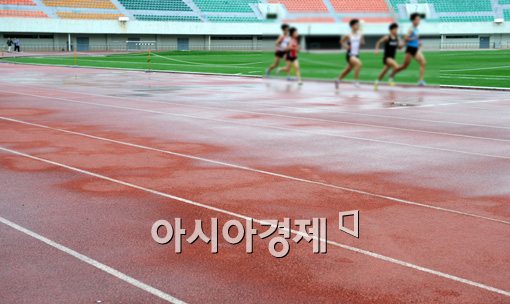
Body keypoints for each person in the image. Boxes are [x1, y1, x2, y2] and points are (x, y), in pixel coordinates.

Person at [388, 13, 426, 86]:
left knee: (423, 62)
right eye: (417, 19)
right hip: (410, 49)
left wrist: (418, 42)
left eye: (419, 19)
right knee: (404, 66)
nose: (419, 21)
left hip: (415, 49)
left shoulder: (416, 29)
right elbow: (406, 38)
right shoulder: (411, 29)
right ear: (413, 21)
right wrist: (413, 39)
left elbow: (415, 38)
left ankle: (420, 81)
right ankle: (392, 74)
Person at [336, 19, 364, 89]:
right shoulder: (348, 35)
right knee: (359, 64)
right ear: (352, 26)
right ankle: (355, 81)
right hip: (350, 54)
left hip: (356, 54)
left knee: (348, 69)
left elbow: (362, 44)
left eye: (358, 25)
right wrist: (346, 46)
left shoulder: (360, 34)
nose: (358, 26)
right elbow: (341, 41)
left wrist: (362, 39)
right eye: (356, 25)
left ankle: (338, 80)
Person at [374, 23, 402, 90]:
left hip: (392, 57)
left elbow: (399, 47)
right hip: (387, 57)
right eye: (395, 29)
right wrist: (377, 50)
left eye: (397, 29)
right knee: (396, 66)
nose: (396, 31)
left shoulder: (397, 38)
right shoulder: (387, 37)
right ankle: (390, 79)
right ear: (391, 30)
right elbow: (378, 42)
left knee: (384, 71)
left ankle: (376, 82)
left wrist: (405, 42)